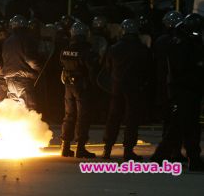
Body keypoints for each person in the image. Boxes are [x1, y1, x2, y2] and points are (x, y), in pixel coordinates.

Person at [151, 13, 204, 171]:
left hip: (183, 90)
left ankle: (193, 159)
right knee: (180, 127)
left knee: (189, 127)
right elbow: (190, 68)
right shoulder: (189, 44)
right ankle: (160, 157)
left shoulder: (177, 41)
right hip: (187, 90)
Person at [103, 19, 152, 161]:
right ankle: (128, 151)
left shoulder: (113, 48)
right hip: (134, 88)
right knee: (131, 119)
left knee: (113, 117)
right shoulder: (143, 49)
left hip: (116, 87)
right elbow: (148, 71)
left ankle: (107, 149)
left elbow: (107, 69)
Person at [60, 21, 98, 158]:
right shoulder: (87, 50)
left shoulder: (65, 49)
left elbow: (62, 64)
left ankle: (65, 147)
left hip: (68, 85)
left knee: (69, 115)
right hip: (82, 85)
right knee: (83, 116)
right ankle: (80, 148)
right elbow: (92, 68)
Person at [2, 15, 42, 110]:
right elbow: (30, 59)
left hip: (9, 80)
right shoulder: (26, 39)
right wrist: (38, 68)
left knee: (14, 110)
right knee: (29, 109)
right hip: (23, 80)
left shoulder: (7, 41)